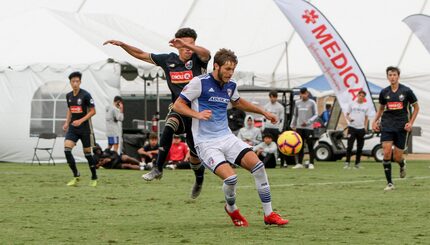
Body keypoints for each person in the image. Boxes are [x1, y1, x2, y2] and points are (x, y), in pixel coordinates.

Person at [173, 48, 288, 226]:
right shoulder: (199, 82)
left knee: (258, 167)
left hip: (227, 137)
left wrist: (263, 112)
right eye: (227, 69)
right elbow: (178, 105)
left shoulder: (230, 85)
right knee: (231, 179)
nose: (230, 73)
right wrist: (197, 115)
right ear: (216, 66)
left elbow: (238, 102)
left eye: (233, 69)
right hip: (206, 143)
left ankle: (269, 214)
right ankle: (231, 208)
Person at [104, 27, 210, 198]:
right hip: (179, 109)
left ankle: (199, 179)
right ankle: (158, 168)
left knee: (194, 155)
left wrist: (188, 44)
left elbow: (207, 52)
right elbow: (141, 54)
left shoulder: (199, 59)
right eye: (184, 44)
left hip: (198, 113)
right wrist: (123, 45)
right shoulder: (168, 60)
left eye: (191, 44)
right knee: (168, 126)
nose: (188, 48)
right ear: (176, 45)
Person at [372, 66, 419, 191]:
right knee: (386, 152)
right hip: (387, 125)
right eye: (390, 75)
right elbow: (381, 109)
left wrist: (410, 123)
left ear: (398, 76)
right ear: (387, 77)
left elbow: (416, 108)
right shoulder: (384, 92)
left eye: (394, 75)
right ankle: (390, 183)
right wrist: (375, 121)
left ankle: (402, 164)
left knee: (397, 157)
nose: (392, 77)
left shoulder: (407, 91)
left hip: (401, 126)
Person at [63, 71, 98, 187]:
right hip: (73, 128)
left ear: (80, 82)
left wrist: (81, 120)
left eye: (77, 81)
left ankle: (94, 177)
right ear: (70, 82)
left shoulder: (86, 95)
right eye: (73, 81)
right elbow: (70, 109)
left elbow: (93, 111)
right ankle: (76, 175)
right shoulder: (68, 96)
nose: (75, 83)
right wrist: (67, 122)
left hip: (85, 129)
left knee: (88, 154)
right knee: (67, 149)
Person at [290, 87, 318, 169]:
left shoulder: (312, 102)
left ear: (307, 93)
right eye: (302, 94)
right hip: (299, 127)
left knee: (310, 145)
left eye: (305, 93)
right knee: (300, 145)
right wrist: (292, 125)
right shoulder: (297, 103)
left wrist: (308, 122)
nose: (303, 95)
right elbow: (295, 115)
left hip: (309, 128)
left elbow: (316, 114)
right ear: (300, 94)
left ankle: (311, 163)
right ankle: (299, 163)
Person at [344, 90, 370, 169]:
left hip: (361, 129)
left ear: (364, 97)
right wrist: (349, 119)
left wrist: (365, 127)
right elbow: (347, 115)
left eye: (363, 96)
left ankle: (357, 164)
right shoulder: (352, 104)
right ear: (357, 95)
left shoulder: (366, 106)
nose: (361, 97)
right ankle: (347, 163)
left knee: (360, 147)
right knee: (349, 146)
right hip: (352, 127)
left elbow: (366, 118)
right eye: (360, 95)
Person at [263, 90, 286, 166]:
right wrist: (263, 127)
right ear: (269, 97)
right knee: (265, 145)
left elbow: (282, 119)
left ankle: (283, 163)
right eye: (272, 97)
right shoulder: (266, 106)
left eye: (275, 97)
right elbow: (263, 118)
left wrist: (280, 130)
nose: (273, 99)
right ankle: (265, 162)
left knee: (279, 145)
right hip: (267, 128)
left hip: (276, 129)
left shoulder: (280, 107)